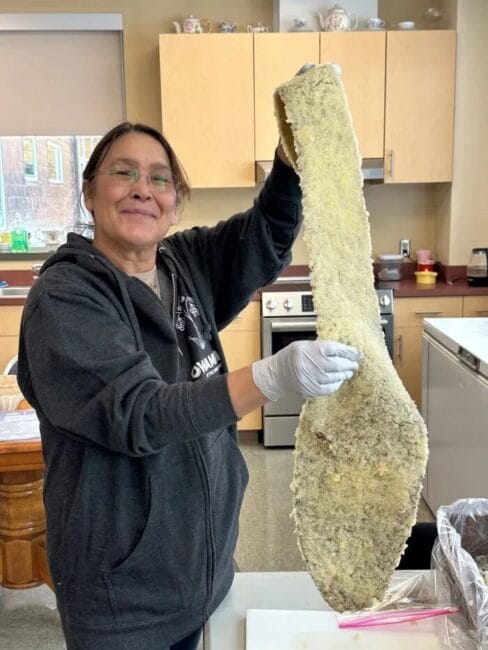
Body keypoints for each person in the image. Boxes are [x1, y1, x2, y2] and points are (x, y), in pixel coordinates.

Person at [17, 120, 361, 649]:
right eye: (123, 173)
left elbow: (263, 234)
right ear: (89, 192)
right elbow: (140, 414)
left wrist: (290, 163)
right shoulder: (65, 299)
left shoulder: (184, 264)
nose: (141, 188)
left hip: (205, 569)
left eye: (159, 179)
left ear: (175, 201)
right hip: (123, 601)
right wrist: (270, 377)